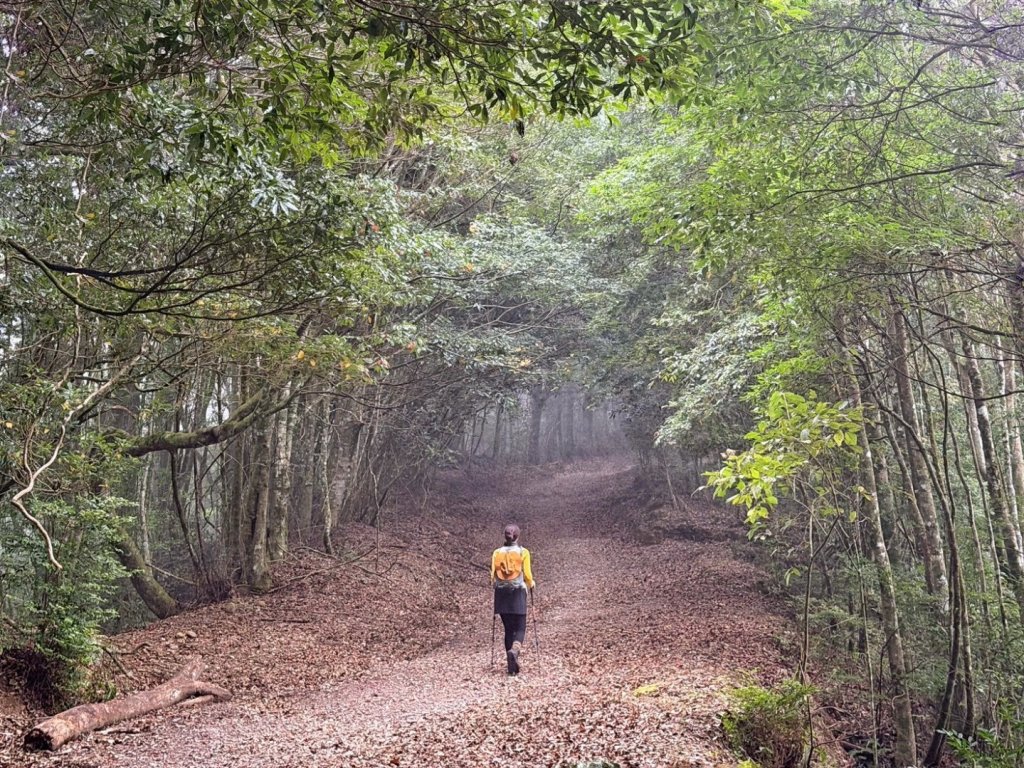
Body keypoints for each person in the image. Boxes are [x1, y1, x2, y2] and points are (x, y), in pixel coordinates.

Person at [491, 523, 535, 675]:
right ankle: (515, 651)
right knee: (521, 627)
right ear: (517, 536)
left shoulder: (497, 553)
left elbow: (492, 577)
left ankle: (511, 667)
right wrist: (531, 584)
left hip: (501, 595)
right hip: (518, 593)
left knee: (508, 629)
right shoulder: (524, 552)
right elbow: (528, 575)